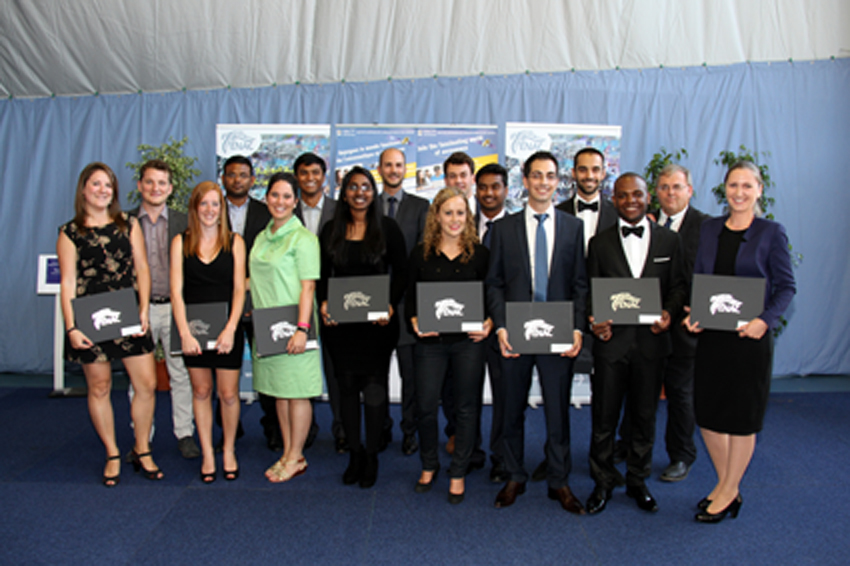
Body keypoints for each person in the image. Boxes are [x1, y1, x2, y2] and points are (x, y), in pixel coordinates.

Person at [684, 161, 795, 523]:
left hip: (750, 342)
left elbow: (786, 287)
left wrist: (765, 321)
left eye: (747, 186)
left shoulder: (771, 233)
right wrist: (695, 312)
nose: (740, 192)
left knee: (741, 418)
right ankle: (725, 485)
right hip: (713, 338)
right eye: (733, 185)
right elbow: (701, 278)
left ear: (759, 190)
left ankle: (729, 491)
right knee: (709, 415)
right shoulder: (710, 229)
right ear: (725, 189)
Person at [486, 151, 587, 514]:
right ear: (525, 180)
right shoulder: (503, 229)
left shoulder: (573, 227)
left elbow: (580, 284)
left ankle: (559, 480)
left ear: (558, 181)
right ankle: (514, 475)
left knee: (558, 412)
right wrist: (500, 326)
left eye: (550, 176)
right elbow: (494, 283)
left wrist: (577, 328)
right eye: (537, 175)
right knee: (511, 409)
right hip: (515, 332)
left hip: (558, 332)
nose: (544, 182)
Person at [585, 173, 687, 515]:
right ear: (614, 199)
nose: (631, 200)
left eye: (638, 194)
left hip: (651, 345)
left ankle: (637, 481)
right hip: (611, 345)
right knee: (603, 419)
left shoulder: (670, 241)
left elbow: (678, 287)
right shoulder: (599, 243)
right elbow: (589, 289)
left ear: (648, 197)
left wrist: (669, 312)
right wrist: (594, 321)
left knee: (644, 418)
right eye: (624, 195)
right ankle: (602, 482)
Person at [57, 162, 162, 486]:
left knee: (146, 384)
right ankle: (112, 453)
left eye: (108, 185)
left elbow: (142, 268)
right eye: (96, 184)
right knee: (100, 387)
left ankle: (142, 449)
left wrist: (143, 310)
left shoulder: (128, 224)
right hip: (90, 318)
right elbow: (68, 282)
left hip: (129, 315)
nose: (103, 190)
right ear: (83, 189)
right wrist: (72, 327)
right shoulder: (69, 232)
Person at [318, 166, 408, 488]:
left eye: (366, 186)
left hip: (376, 327)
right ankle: (354, 453)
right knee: (346, 389)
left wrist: (390, 304)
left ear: (374, 192)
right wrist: (323, 303)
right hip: (340, 327)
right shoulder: (330, 229)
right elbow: (321, 274)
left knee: (373, 389)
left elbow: (402, 272)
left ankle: (371, 455)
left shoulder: (388, 228)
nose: (360, 192)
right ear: (344, 193)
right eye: (353, 187)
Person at [407, 187, 492, 504]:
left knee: (466, 408)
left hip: (468, 344)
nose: (454, 219)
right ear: (436, 216)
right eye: (448, 213)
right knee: (426, 407)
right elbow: (410, 299)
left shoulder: (480, 255)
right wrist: (414, 321)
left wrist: (490, 322)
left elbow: (491, 296)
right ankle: (429, 464)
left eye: (460, 213)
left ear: (467, 217)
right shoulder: (421, 254)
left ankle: (458, 471)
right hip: (431, 344)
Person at [171, 181, 246, 483]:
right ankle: (207, 453)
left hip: (228, 330)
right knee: (201, 391)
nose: (210, 209)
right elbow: (176, 293)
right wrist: (185, 333)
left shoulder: (235, 242)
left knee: (228, 394)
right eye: (204, 203)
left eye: (216, 204)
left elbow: (239, 290)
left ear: (222, 209)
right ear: (195, 207)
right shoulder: (180, 242)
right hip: (193, 332)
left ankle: (228, 450)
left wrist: (230, 328)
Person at [250, 172, 322, 483]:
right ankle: (289, 453)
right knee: (280, 391)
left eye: (286, 196)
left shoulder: (304, 239)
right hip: (267, 329)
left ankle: (296, 455)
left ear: (295, 201)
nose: (280, 201)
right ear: (266, 198)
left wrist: (302, 329)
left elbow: (308, 287)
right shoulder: (261, 237)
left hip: (294, 327)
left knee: (298, 392)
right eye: (274, 195)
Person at [128, 159, 199, 460]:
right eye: (149, 182)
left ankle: (184, 434)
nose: (155, 188)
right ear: (139, 185)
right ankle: (141, 439)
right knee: (138, 380)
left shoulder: (185, 222)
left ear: (170, 188)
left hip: (176, 309)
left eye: (161, 183)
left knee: (180, 374)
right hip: (138, 310)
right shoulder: (124, 222)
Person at [652, 164, 709, 482]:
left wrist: (701, 307)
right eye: (664, 187)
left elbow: (713, 273)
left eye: (676, 187)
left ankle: (681, 455)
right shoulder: (646, 222)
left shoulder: (707, 227)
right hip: (647, 325)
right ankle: (630, 446)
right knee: (640, 391)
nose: (670, 193)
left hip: (686, 326)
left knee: (680, 393)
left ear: (690, 190)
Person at [378, 147, 429, 456]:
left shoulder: (421, 207)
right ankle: (381, 428)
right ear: (380, 169)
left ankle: (409, 431)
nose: (393, 170)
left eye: (398, 165)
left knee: (411, 377)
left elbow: (422, 257)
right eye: (388, 165)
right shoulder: (367, 206)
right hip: (374, 306)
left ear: (405, 169)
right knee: (377, 376)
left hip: (408, 305)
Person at [293, 151, 343, 453]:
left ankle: (341, 429)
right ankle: (306, 428)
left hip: (334, 299)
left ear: (324, 177)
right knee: (300, 367)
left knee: (336, 369)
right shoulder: (285, 210)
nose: (310, 178)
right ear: (296, 177)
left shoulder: (340, 210)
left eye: (315, 173)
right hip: (296, 300)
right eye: (304, 173)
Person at [221, 155, 268, 447]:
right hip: (221, 304)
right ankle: (228, 430)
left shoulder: (266, 213)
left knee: (268, 367)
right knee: (224, 371)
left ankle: (273, 428)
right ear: (223, 178)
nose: (237, 180)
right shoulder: (210, 210)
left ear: (252, 180)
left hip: (259, 300)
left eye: (243, 175)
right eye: (231, 174)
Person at [474, 163, 510, 483]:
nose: (489, 193)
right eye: (483, 186)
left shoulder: (515, 229)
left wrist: (496, 320)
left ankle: (501, 456)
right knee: (465, 394)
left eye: (495, 186)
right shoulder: (460, 223)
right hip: (467, 327)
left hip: (500, 327)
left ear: (506, 190)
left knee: (503, 396)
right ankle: (469, 450)